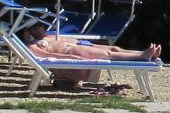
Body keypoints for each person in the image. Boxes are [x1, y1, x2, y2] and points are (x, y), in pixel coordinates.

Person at [21, 25, 161, 90]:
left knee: (114, 49)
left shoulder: (47, 36)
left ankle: (144, 53)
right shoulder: (32, 46)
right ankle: (142, 56)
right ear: (30, 31)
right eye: (39, 27)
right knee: (108, 55)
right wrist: (71, 57)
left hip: (79, 46)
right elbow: (47, 56)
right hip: (73, 52)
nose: (43, 28)